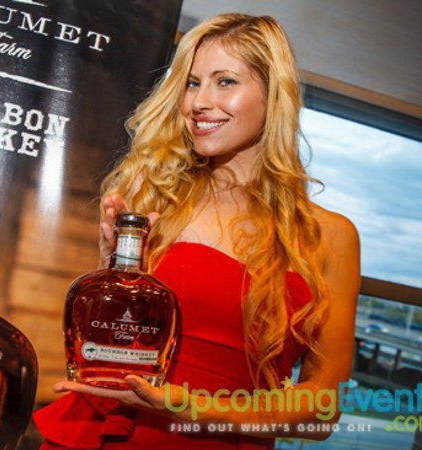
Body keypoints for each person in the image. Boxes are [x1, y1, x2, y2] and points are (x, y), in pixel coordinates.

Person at [33, 12, 360, 449]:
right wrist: (112, 270)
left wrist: (191, 408)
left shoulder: (330, 236)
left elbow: (322, 411)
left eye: (225, 81)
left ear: (273, 94)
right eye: (191, 83)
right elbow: (105, 348)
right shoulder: (153, 195)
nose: (199, 102)